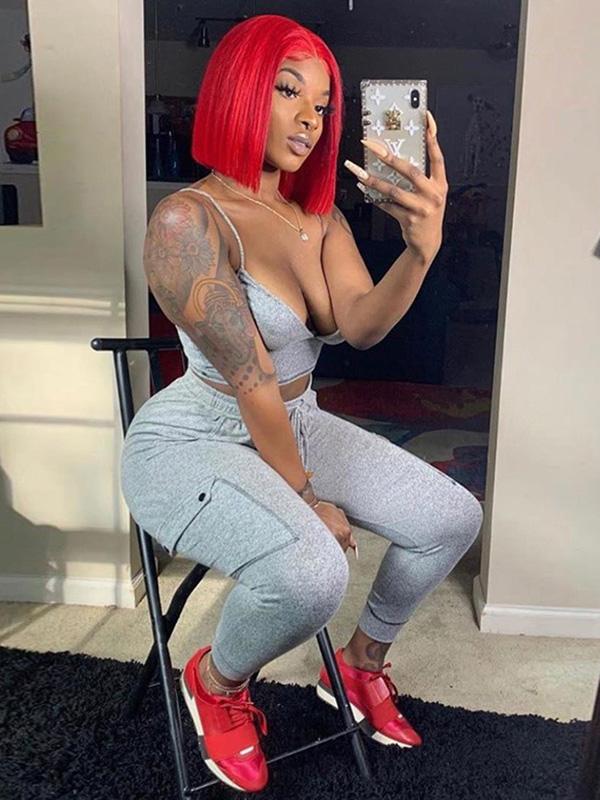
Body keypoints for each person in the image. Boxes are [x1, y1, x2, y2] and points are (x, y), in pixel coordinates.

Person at [120, 14, 483, 794]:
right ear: (239, 89)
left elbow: (363, 327)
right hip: (194, 442)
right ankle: (216, 680)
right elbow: (252, 382)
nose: (310, 120)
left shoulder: (320, 217)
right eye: (288, 91)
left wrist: (421, 249)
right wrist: (309, 499)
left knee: (451, 516)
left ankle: (358, 666)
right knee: (314, 572)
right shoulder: (187, 221)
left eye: (322, 104)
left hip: (297, 421)